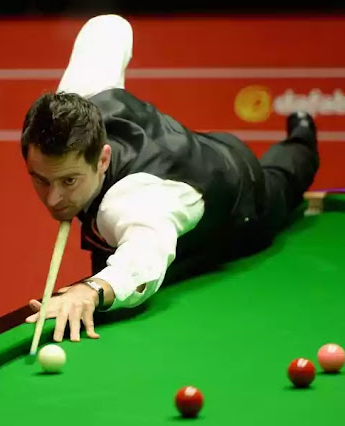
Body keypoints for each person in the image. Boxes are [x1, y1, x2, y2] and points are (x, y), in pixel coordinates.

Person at [22, 15, 319, 343]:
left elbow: (143, 260)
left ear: (102, 159)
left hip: (238, 195)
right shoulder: (77, 103)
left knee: (285, 177)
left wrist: (91, 290)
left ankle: (302, 134)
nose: (53, 199)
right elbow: (107, 27)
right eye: (41, 180)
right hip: (187, 152)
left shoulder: (134, 202)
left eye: (69, 181)